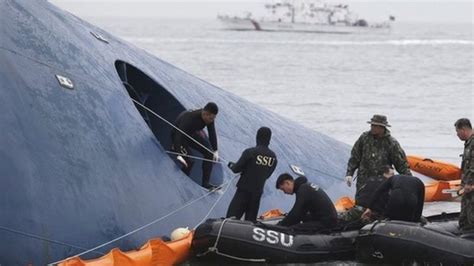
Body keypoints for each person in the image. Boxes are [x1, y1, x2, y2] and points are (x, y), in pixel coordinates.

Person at [344, 114, 412, 208]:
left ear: (382, 127)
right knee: (360, 203)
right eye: (372, 125)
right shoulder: (364, 138)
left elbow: (401, 164)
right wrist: (349, 173)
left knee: (380, 204)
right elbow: (355, 157)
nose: (372, 128)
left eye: (375, 126)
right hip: (364, 180)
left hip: (382, 181)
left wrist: (409, 181)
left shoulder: (391, 143)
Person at [226, 127, 278, 221]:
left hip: (243, 191)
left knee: (231, 218)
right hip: (257, 194)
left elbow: (236, 169)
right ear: (269, 139)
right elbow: (267, 175)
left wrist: (231, 165)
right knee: (250, 221)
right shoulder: (273, 157)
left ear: (257, 137)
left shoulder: (250, 152)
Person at [171, 102, 219, 189]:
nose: (212, 121)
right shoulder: (190, 118)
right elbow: (178, 135)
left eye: (214, 118)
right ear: (205, 114)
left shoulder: (209, 117)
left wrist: (215, 150)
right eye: (211, 118)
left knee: (209, 153)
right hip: (178, 136)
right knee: (190, 161)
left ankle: (206, 183)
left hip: (191, 133)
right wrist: (179, 154)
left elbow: (212, 133)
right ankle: (181, 182)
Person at [455, 118, 474, 232]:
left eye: (457, 131)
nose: (457, 135)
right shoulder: (468, 143)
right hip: (467, 188)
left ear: (463, 129)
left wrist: (470, 183)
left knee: (471, 219)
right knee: (464, 219)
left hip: (471, 187)